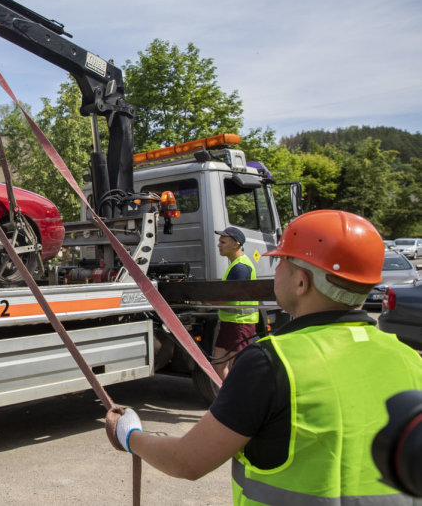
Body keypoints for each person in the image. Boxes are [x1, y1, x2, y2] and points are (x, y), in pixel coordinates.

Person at [106, 210, 422, 504]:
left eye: (282, 260)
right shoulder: (410, 360)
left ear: (302, 282)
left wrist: (130, 435)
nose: (275, 268)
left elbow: (186, 461)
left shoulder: (271, 364)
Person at [213, 226, 259, 379]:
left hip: (240, 324)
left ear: (236, 244)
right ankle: (229, 399)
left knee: (235, 370)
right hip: (230, 323)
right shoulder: (235, 265)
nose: (219, 245)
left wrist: (203, 299)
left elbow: (227, 297)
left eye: (223, 242)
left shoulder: (240, 267)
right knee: (218, 366)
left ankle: (237, 401)